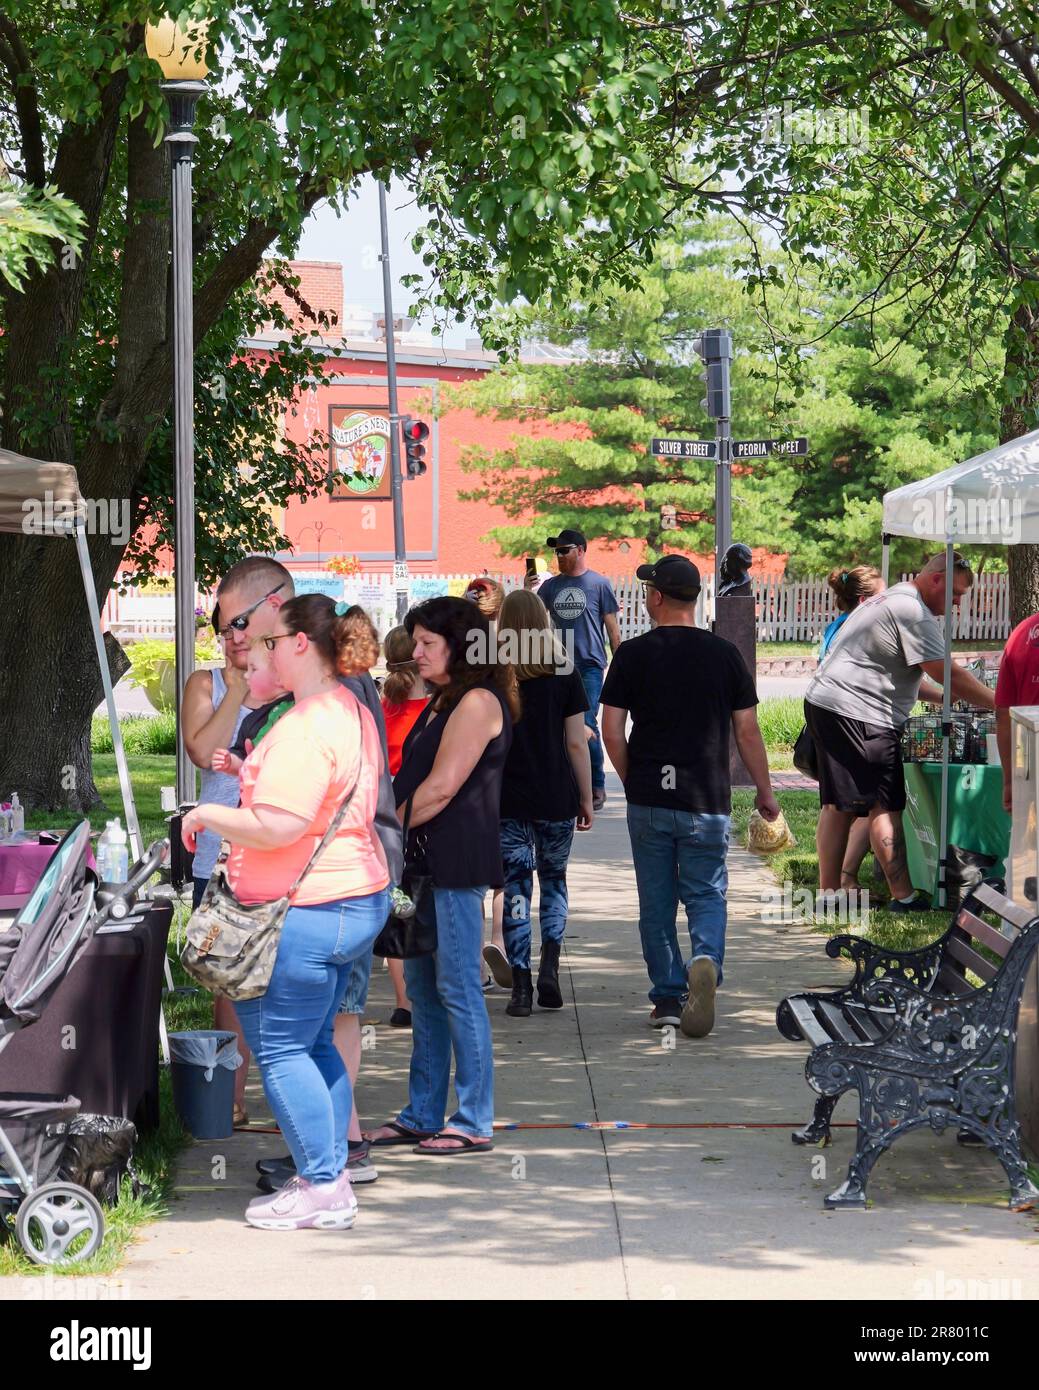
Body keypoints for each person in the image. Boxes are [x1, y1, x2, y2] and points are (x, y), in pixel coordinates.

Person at [181, 595, 390, 1231]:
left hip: (304, 908)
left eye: (272, 642)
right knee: (313, 1042)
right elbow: (313, 804)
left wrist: (205, 814)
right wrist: (250, 776)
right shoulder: (346, 709)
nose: (262, 651)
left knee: (280, 1050)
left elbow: (278, 825)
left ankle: (323, 1188)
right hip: (345, 898)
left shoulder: (306, 724)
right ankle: (329, 1175)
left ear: (301, 645)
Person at [601, 556, 779, 1037]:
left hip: (650, 801)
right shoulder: (725, 655)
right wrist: (765, 791)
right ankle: (705, 960)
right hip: (706, 800)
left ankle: (668, 998)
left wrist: (633, 777)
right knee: (705, 895)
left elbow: (611, 731)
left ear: (657, 597)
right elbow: (747, 730)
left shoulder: (632, 655)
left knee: (655, 905)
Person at [365, 596, 518, 1156]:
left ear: (462, 646)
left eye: (430, 642)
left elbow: (442, 787)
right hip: (421, 863)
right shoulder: (440, 700)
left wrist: (383, 832)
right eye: (416, 641)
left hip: (453, 865)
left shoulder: (477, 701)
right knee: (425, 992)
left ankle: (474, 1116)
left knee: (457, 988)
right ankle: (423, 1112)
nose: (418, 651)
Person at [804, 551, 995, 908]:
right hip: (859, 713)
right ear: (936, 579)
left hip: (828, 704)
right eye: (956, 593)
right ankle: (904, 897)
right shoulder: (913, 611)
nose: (956, 603)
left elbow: (903, 678)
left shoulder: (894, 598)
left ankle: (828, 895)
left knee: (838, 805)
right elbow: (948, 672)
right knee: (884, 806)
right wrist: (1000, 704)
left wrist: (946, 700)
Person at [495, 589, 593, 1016]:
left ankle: (520, 986)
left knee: (517, 887)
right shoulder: (563, 670)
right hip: (556, 795)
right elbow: (576, 742)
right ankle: (550, 966)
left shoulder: (493, 676)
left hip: (508, 799)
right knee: (554, 881)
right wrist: (586, 796)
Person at [181, 605, 258, 1127]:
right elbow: (200, 750)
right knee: (227, 984)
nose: (235, 639)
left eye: (243, 629)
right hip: (218, 857)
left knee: (275, 981)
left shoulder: (285, 687)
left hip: (275, 855)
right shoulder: (203, 684)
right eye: (225, 631)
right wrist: (234, 691)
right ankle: (229, 1096)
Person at [532, 528, 621, 812]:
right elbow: (533, 622)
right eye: (555, 551)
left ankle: (596, 785)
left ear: (581, 550)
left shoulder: (599, 584)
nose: (558, 556)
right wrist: (527, 589)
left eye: (564, 550)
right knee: (561, 726)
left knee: (586, 725)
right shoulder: (550, 587)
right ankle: (570, 781)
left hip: (590, 664)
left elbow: (612, 627)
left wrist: (621, 667)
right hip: (558, 665)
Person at [380, 624, 431, 1027]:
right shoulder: (436, 711)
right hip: (424, 814)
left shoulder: (381, 709)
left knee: (397, 904)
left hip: (386, 813)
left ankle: (404, 1001)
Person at [995, 612, 1039, 812]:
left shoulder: (1021, 633)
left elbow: (1004, 716)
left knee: (1031, 841)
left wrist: (1010, 781)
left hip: (1029, 761)